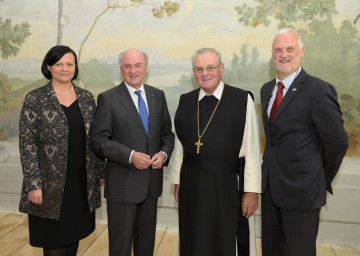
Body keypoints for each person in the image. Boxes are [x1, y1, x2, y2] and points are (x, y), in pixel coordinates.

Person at [260, 28, 348, 256]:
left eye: (290, 49)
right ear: (272, 54)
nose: (284, 54)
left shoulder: (318, 90)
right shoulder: (267, 90)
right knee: (272, 249)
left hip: (303, 191)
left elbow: (337, 143)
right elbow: (274, 140)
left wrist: (318, 175)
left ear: (301, 52)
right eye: (278, 50)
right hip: (270, 188)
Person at [170, 47, 261, 256]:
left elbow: (252, 150)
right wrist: (177, 182)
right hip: (192, 183)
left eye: (210, 67)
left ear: (221, 69)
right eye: (199, 68)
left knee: (224, 239)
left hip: (227, 184)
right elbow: (179, 146)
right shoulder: (186, 101)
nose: (205, 73)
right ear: (194, 73)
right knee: (194, 237)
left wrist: (251, 190)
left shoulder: (241, 100)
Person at [18, 45, 105, 256]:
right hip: (48, 188)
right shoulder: (35, 98)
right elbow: (27, 143)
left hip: (81, 186)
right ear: (49, 67)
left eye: (69, 64)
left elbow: (95, 139)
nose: (65, 69)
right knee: (54, 243)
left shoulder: (86, 98)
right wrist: (34, 184)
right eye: (59, 64)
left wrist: (101, 172)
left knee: (72, 239)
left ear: (75, 67)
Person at [89, 48, 175, 256]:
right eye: (127, 66)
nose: (133, 70)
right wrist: (130, 156)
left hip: (151, 187)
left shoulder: (157, 95)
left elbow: (167, 135)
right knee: (120, 247)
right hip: (122, 186)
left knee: (146, 245)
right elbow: (98, 140)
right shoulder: (108, 99)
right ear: (121, 69)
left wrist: (163, 155)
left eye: (138, 65)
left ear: (145, 67)